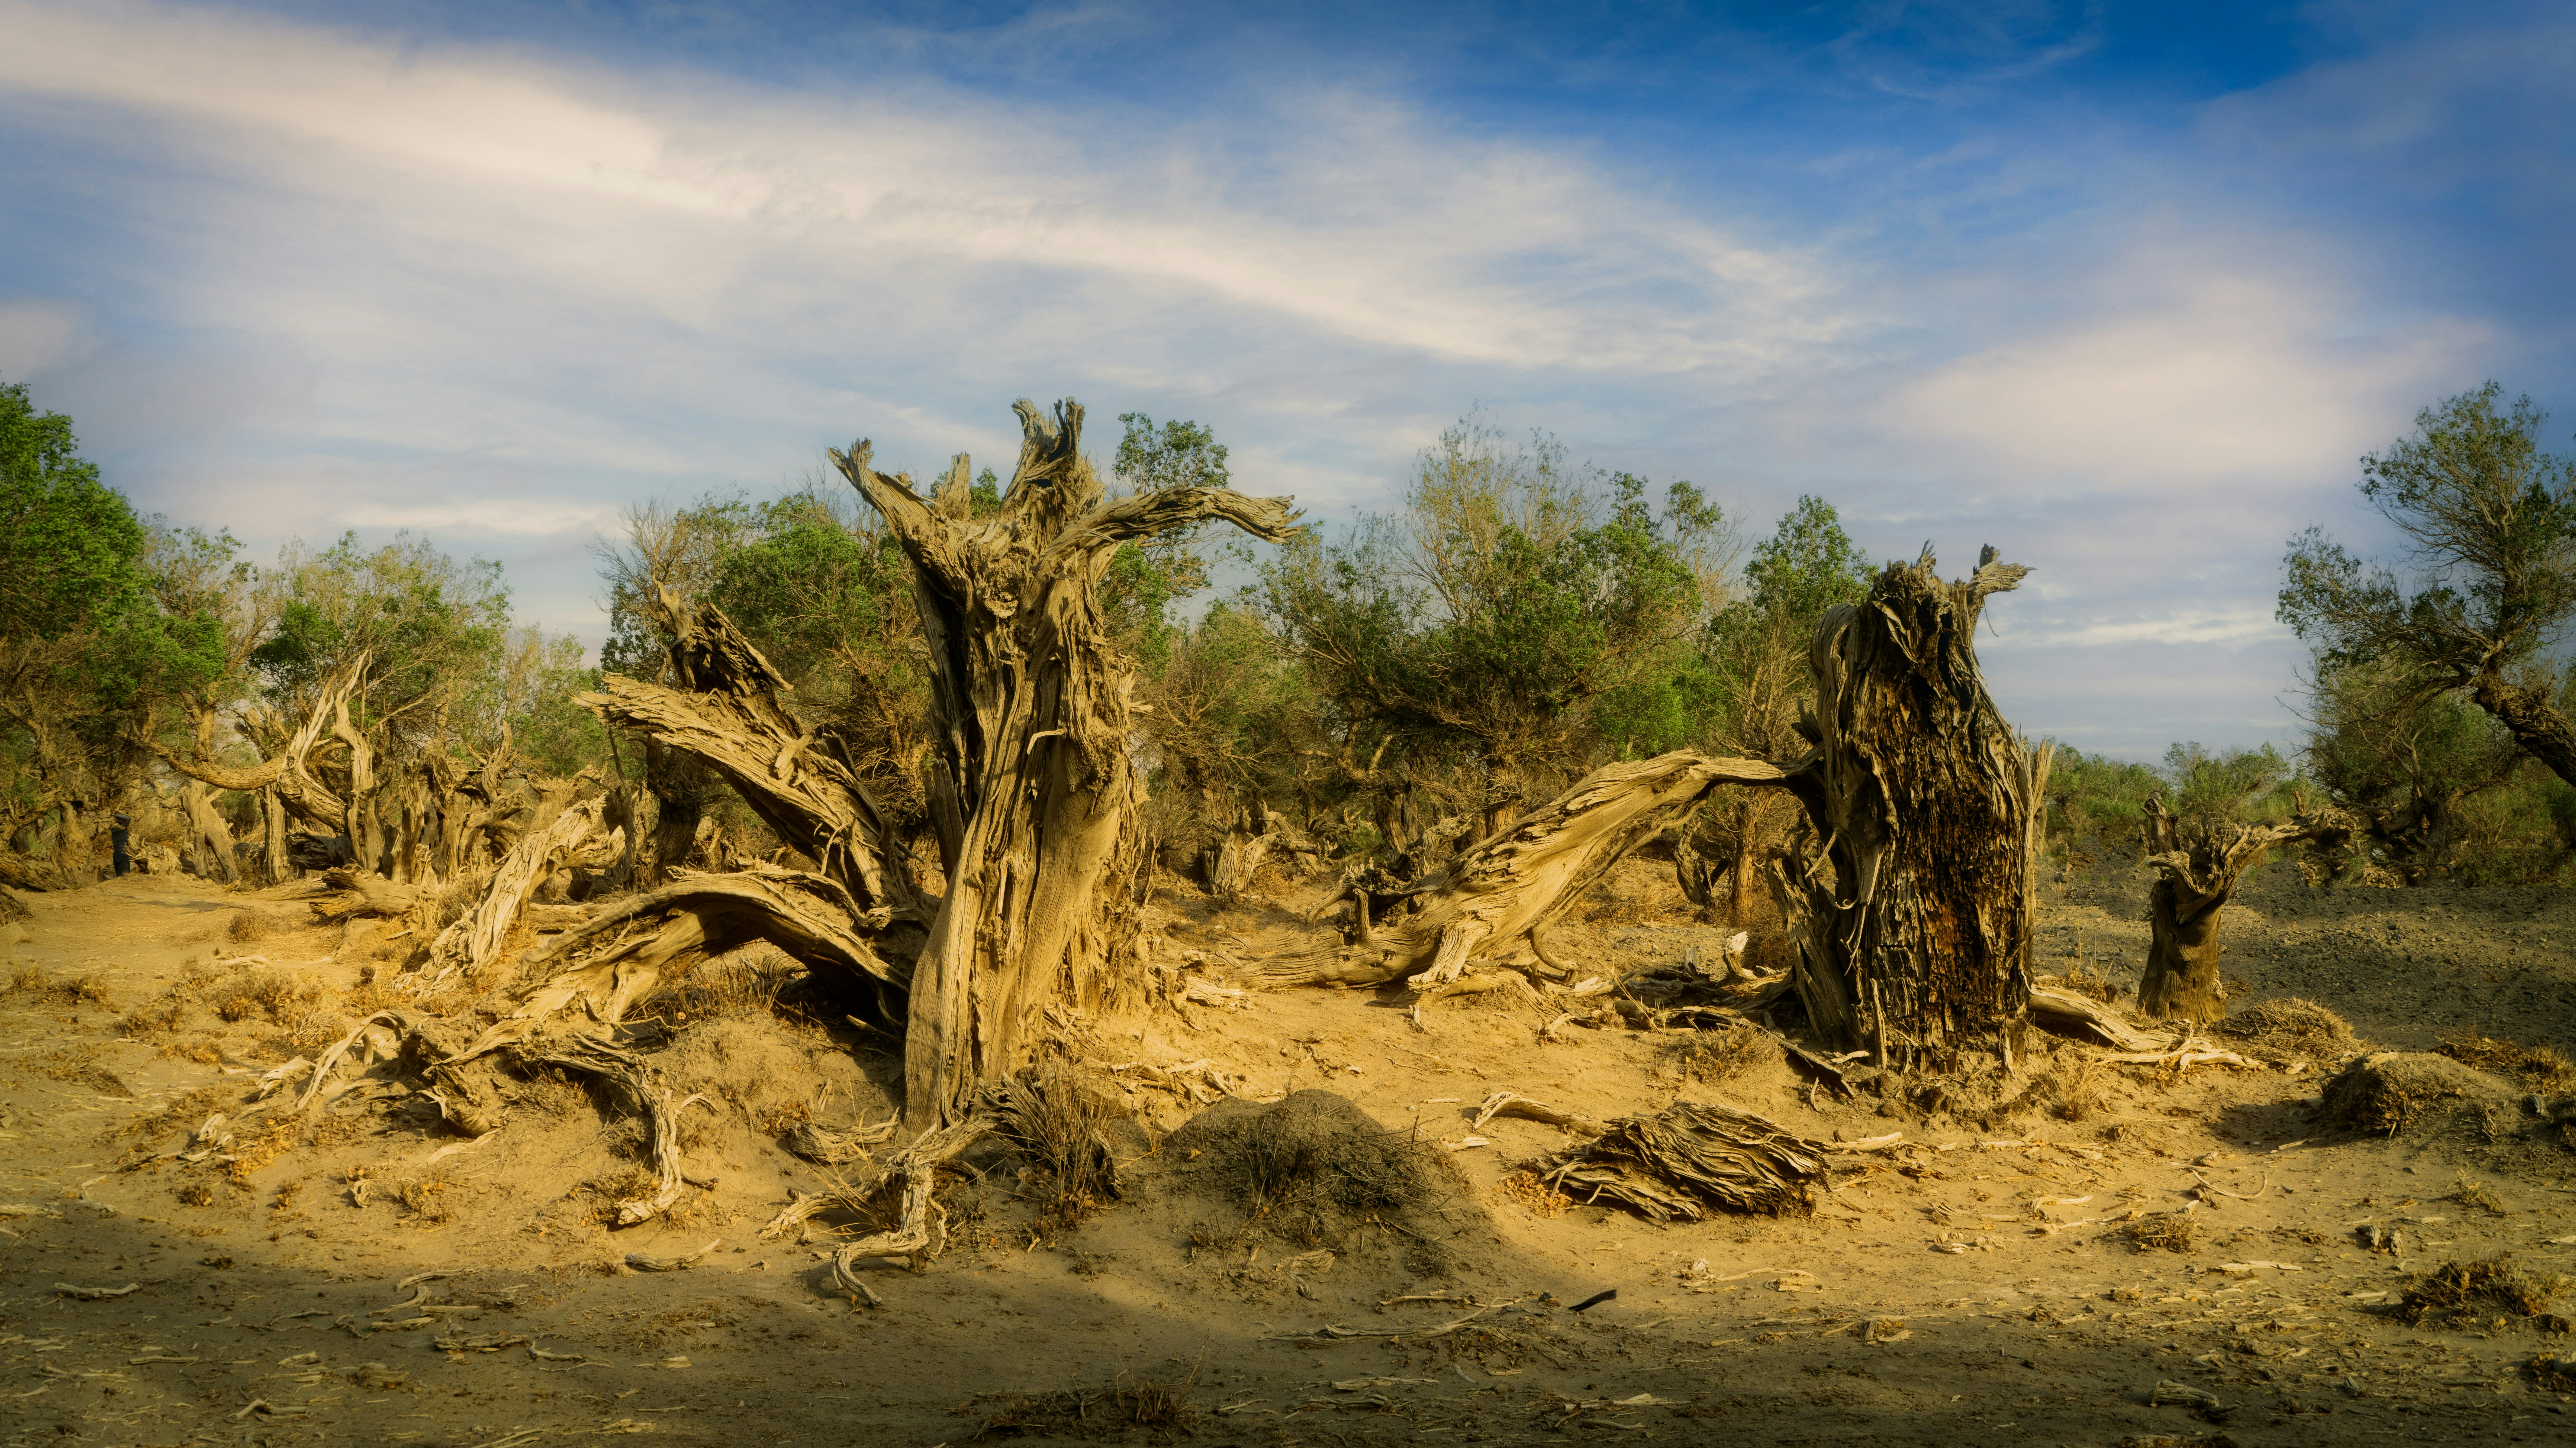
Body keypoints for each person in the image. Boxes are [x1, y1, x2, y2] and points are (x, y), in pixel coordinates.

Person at [111, 812, 131, 878]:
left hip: (116, 854)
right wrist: (117, 815)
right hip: (123, 854)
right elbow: (128, 818)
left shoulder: (113, 830)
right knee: (124, 876)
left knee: (119, 876)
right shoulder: (121, 828)